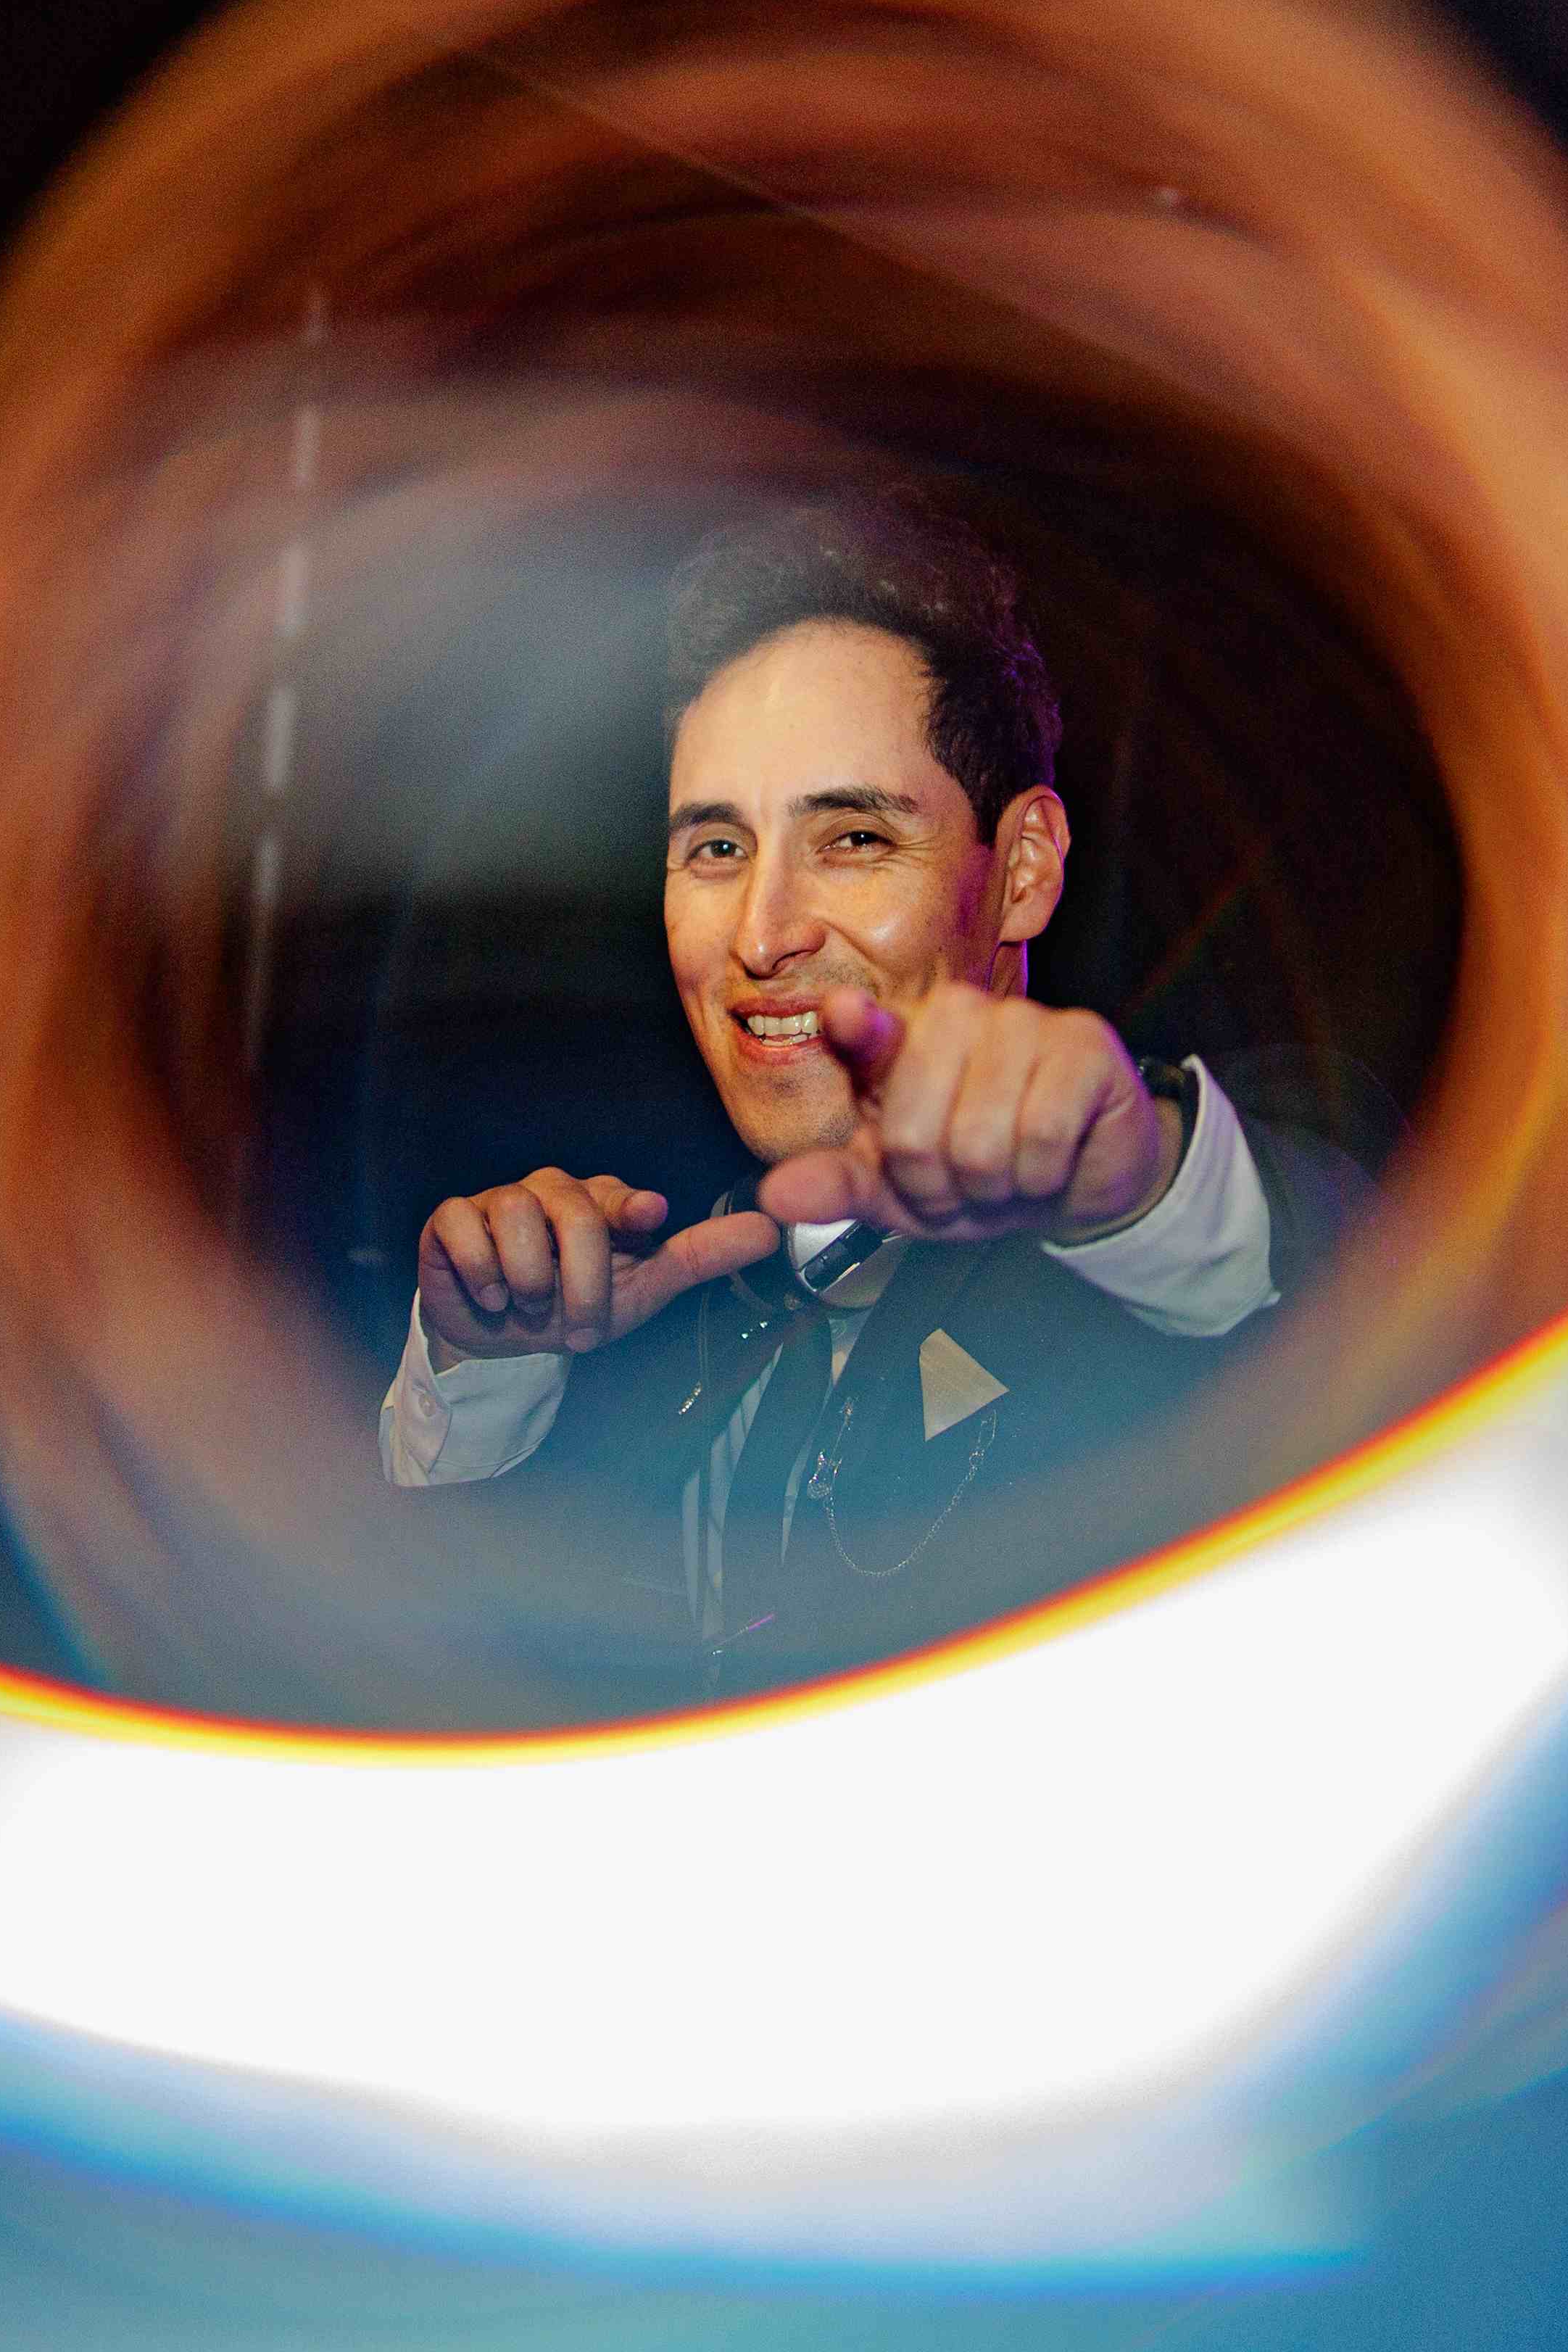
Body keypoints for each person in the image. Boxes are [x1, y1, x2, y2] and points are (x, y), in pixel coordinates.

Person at [377, 489, 1365, 1697]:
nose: (762, 934)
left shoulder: (1180, 1260)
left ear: (1023, 874)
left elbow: (1341, 1310)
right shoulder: (664, 1286)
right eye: (717, 849)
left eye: (851, 839)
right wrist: (488, 1369)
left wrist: (1136, 1186)